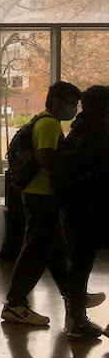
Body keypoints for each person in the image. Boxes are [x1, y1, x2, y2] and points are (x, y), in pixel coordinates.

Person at [1, 81, 81, 327]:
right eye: (71, 103)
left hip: (39, 194)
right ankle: (15, 303)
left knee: (55, 251)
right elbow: (45, 157)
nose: (73, 109)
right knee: (35, 251)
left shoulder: (41, 120)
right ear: (57, 102)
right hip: (41, 194)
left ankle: (73, 296)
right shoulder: (48, 124)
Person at [51, 85, 109, 339]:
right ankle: (79, 319)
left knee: (79, 265)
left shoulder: (76, 133)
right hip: (98, 209)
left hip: (76, 210)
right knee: (81, 264)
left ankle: (76, 317)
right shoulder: (101, 135)